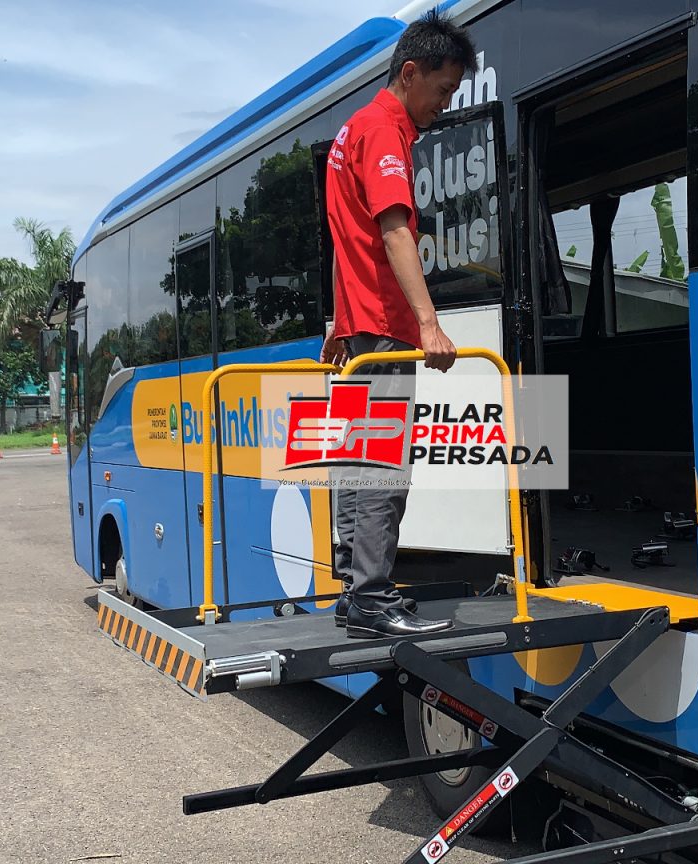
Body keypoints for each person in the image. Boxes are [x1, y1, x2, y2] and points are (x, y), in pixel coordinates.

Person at [320, 10, 476, 639]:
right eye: (441, 90)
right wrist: (429, 323)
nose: (442, 105)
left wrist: (338, 320)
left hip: (361, 323)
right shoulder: (383, 131)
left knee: (359, 458)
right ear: (410, 72)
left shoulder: (353, 131)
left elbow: (342, 239)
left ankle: (356, 590)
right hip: (385, 325)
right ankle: (372, 596)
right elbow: (393, 229)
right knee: (383, 466)